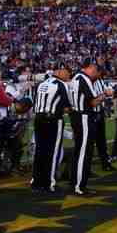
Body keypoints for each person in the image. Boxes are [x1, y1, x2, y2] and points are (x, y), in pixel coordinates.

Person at [69, 58, 109, 195]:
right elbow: (93, 102)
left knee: (79, 150)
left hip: (76, 115)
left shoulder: (75, 77)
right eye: (96, 69)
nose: (96, 73)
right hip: (84, 116)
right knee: (84, 152)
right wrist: (105, 94)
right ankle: (79, 186)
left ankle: (74, 181)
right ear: (91, 67)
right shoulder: (84, 78)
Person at [31, 62, 72, 193]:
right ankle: (49, 183)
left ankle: (36, 182)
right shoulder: (61, 85)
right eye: (67, 71)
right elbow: (67, 106)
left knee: (40, 150)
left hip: (39, 118)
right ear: (60, 71)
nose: (69, 74)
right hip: (53, 119)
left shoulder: (42, 84)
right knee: (53, 152)